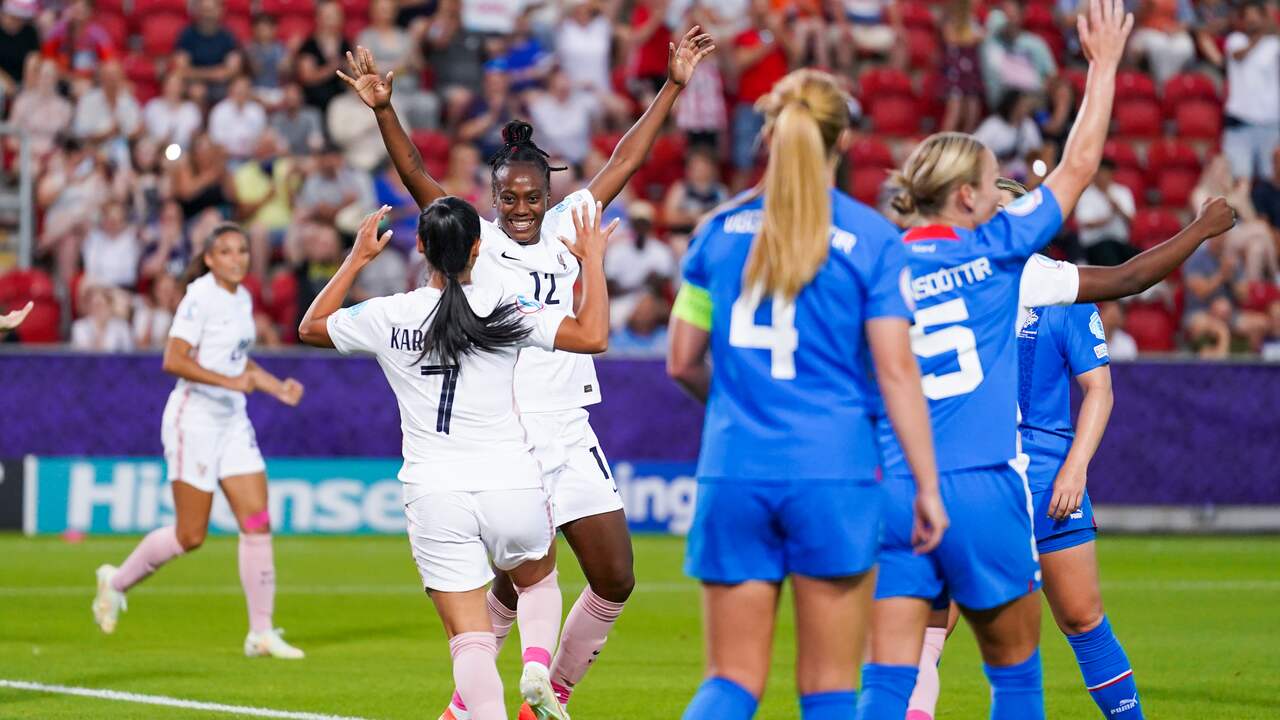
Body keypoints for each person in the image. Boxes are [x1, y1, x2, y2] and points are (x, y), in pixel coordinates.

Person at [338, 27, 715, 719]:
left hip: (568, 431)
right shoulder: (477, 247)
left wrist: (673, 87)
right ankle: (486, 700)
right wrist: (384, 110)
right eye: (507, 198)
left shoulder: (576, 221)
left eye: (529, 197)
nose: (519, 208)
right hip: (507, 440)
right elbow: (419, 178)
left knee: (615, 578)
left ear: (548, 192)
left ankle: (541, 695)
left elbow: (628, 157)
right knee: (520, 585)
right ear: (492, 196)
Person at [857, 3, 1132, 718]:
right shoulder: (998, 251)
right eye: (989, 176)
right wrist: (1101, 65)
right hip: (985, 486)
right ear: (971, 196)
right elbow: (1078, 165)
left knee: (887, 678)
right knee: (1015, 676)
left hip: (896, 489)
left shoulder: (873, 266)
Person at [664, 68, 945, 720]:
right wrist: (927, 486)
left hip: (733, 469)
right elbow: (898, 373)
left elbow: (681, 360)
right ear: (842, 140)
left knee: (730, 681)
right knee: (827, 691)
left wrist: (744, 405)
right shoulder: (872, 240)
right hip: (834, 471)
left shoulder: (715, 232)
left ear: (770, 133)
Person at [903, 178, 1238, 720]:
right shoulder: (998, 277)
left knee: (1077, 618)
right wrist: (1199, 229)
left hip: (1031, 471)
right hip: (981, 468)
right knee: (942, 628)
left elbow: (1098, 388)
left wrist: (1075, 467)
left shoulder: (1054, 287)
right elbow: (1129, 278)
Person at [296, 200, 617, 720]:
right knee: (536, 583)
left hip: (434, 492)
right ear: (477, 248)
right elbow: (592, 336)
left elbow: (312, 326)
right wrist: (593, 262)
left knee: (470, 641)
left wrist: (356, 259)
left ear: (420, 247)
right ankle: (538, 665)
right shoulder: (504, 305)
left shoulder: (390, 314)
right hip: (510, 480)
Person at [92, 223, 307, 660]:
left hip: (232, 421)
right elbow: (174, 359)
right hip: (195, 422)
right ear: (209, 259)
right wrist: (230, 381)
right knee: (191, 535)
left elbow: (235, 358)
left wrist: (274, 387)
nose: (237, 258)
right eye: (225, 251)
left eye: (242, 250)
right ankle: (114, 582)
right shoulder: (199, 297)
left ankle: (260, 633)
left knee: (256, 522)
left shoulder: (242, 297)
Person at [1217, 0, 1280, 182]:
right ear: (1242, 21)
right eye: (1248, 18)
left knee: (1271, 181)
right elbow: (1239, 56)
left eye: (1256, 17)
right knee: (1238, 180)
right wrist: (1260, 33)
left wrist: (1271, 26)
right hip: (1240, 124)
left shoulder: (1274, 44)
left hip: (1270, 123)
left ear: (1264, 18)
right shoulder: (1235, 40)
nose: (1252, 21)